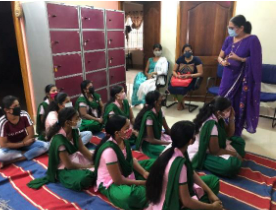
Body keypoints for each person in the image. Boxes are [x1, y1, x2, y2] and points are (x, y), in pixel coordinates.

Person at [146, 121, 223, 210]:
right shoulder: (180, 165)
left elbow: (191, 172)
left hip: (167, 195)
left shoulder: (174, 150)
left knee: (213, 181)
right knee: (210, 189)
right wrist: (212, 207)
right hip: (171, 204)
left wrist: (210, 192)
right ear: (190, 141)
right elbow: (187, 201)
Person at [93, 115, 154, 210]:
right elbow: (118, 180)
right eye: (127, 128)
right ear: (117, 133)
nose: (130, 129)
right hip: (111, 182)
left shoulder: (124, 140)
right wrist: (142, 182)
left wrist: (144, 172)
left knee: (153, 163)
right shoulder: (110, 151)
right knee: (132, 197)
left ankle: (152, 186)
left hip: (125, 171)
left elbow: (130, 159)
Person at [28, 108, 94, 191]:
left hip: (76, 158)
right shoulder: (59, 139)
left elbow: (82, 148)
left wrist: (94, 160)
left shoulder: (74, 130)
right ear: (68, 122)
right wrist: (87, 167)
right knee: (85, 179)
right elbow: (69, 165)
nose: (79, 120)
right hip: (64, 168)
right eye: (77, 118)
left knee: (100, 159)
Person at [217, 15, 262, 136]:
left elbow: (256, 61)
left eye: (232, 27)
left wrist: (240, 59)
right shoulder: (228, 39)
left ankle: (235, 133)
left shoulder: (252, 40)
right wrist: (222, 61)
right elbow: (219, 56)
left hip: (242, 80)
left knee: (237, 105)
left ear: (241, 28)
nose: (229, 30)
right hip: (227, 77)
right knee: (221, 101)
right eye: (229, 27)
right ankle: (220, 130)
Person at [190, 97, 245, 177]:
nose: (230, 112)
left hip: (215, 147)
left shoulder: (218, 117)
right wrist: (235, 154)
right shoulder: (211, 124)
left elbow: (229, 134)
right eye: (228, 110)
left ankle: (220, 160)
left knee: (240, 142)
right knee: (232, 165)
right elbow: (215, 151)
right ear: (219, 112)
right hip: (202, 152)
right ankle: (207, 162)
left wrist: (232, 118)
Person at [0, 95, 49, 169]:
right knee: (1, 155)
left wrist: (24, 144)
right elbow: (3, 144)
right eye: (15, 106)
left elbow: (31, 134)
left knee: (45, 146)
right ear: (7, 110)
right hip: (11, 147)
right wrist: (22, 144)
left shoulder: (24, 115)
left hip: (26, 143)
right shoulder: (3, 122)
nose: (18, 107)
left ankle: (15, 159)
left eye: (18, 105)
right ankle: (27, 154)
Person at [134, 90, 171, 159]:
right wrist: (168, 144)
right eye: (161, 97)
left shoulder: (160, 111)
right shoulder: (149, 117)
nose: (163, 98)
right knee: (167, 152)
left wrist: (177, 137)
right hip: (149, 143)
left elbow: (167, 129)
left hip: (158, 137)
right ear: (156, 102)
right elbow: (151, 140)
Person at [168, 44, 203, 111]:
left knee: (182, 89)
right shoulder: (180, 59)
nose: (187, 52)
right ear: (183, 52)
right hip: (179, 79)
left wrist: (189, 75)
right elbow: (174, 71)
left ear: (192, 51)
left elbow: (200, 73)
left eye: (189, 51)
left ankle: (180, 103)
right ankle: (181, 102)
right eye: (185, 51)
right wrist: (176, 75)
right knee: (170, 87)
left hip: (191, 80)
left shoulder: (196, 59)